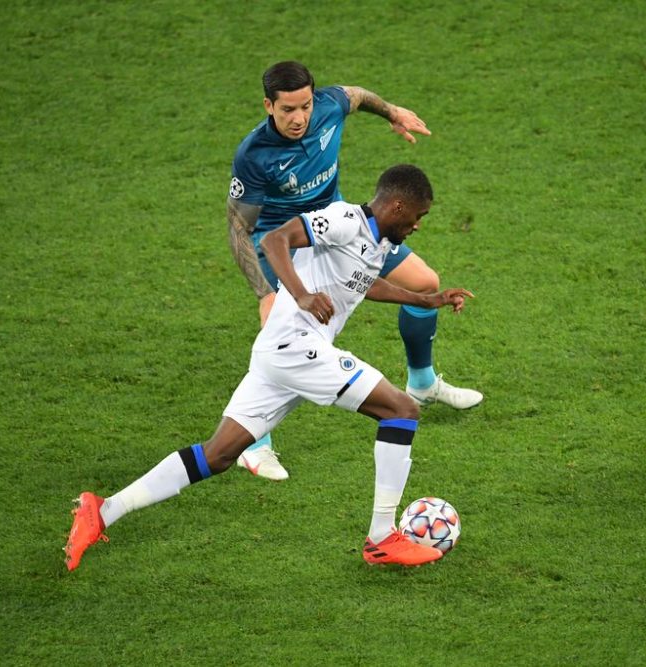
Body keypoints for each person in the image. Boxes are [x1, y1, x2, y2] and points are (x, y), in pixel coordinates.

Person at [65, 164, 472, 570]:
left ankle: (102, 511)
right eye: (418, 216)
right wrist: (302, 295)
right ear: (398, 205)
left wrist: (424, 300)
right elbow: (278, 240)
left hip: (277, 355)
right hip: (298, 348)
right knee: (402, 410)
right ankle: (382, 538)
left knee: (218, 455)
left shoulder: (378, 239)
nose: (418, 226)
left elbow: (362, 282)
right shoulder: (343, 220)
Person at [227, 61, 482, 481]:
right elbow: (239, 228)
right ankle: (254, 444)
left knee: (426, 283)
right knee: (277, 327)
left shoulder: (327, 106)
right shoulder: (254, 155)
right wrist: (263, 291)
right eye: (288, 109)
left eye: (305, 106)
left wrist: (394, 112)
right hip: (284, 244)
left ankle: (421, 380)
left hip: (341, 229)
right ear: (268, 106)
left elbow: (357, 95)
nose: (299, 118)